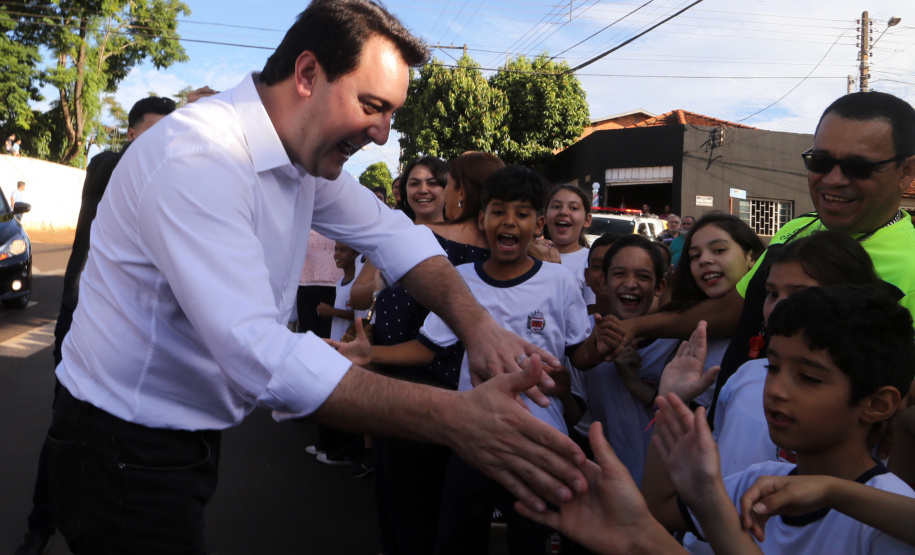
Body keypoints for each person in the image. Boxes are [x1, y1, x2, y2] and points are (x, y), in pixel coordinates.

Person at [44, 2, 589, 553]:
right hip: (122, 441)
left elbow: (394, 237)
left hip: (180, 435)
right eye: (372, 106)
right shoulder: (197, 158)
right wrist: (458, 419)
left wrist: (479, 329)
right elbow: (256, 354)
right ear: (307, 74)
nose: (381, 135)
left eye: (391, 114)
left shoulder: (300, 157)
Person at [333, 164, 618, 554]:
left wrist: (598, 348)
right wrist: (370, 354)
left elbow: (578, 356)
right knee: (456, 537)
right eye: (499, 210)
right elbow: (427, 347)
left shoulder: (560, 282)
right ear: (482, 219)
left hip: (542, 440)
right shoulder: (460, 279)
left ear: (538, 226)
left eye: (522, 213)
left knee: (534, 539)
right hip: (475, 436)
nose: (509, 221)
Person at [611, 91, 915, 427]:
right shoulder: (797, 229)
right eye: (820, 162)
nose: (833, 179)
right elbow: (734, 309)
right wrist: (634, 327)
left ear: (907, 172)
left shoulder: (909, 266)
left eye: (858, 167)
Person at [12, 95, 179, 555]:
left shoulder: (169, 178)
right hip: (81, 315)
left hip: (137, 327)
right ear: (129, 134)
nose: (164, 143)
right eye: (155, 132)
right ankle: (40, 527)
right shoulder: (107, 166)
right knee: (66, 425)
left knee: (122, 434)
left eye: (172, 133)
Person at [644, 285, 915, 554]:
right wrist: (671, 402)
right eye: (773, 367)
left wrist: (712, 506)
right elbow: (661, 509)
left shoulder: (889, 520)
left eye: (808, 378)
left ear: (877, 404)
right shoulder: (760, 480)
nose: (775, 389)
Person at [348, 151, 502, 554]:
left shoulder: (422, 243)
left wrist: (372, 355)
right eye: (415, 182)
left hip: (406, 394)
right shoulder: (510, 256)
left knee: (406, 515)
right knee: (458, 521)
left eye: (442, 183)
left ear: (460, 192)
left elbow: (421, 342)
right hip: (476, 398)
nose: (431, 191)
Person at [576, 234, 680, 485]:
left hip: (662, 490)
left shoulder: (676, 344)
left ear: (659, 287)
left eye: (643, 276)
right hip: (606, 486)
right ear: (603, 280)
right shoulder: (584, 336)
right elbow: (573, 417)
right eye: (620, 273)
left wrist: (635, 383)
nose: (630, 284)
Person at [661, 213, 763, 407]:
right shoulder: (680, 329)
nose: (704, 260)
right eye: (695, 255)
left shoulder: (769, 330)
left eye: (719, 250)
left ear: (751, 257)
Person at [546, 184, 597, 311]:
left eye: (573, 208)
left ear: (587, 219)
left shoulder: (590, 261)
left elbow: (590, 315)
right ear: (544, 216)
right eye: (556, 206)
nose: (563, 212)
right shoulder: (530, 256)